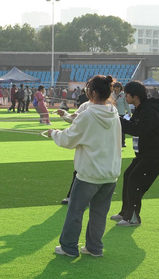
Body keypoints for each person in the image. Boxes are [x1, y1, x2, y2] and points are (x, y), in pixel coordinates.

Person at [47, 75, 122, 258]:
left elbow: (67, 139)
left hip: (89, 174)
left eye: (88, 89)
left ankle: (69, 247)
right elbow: (81, 126)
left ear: (94, 92)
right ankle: (94, 247)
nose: (86, 92)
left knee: (76, 211)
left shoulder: (89, 114)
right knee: (99, 213)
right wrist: (66, 118)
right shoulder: (113, 112)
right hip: (110, 174)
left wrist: (53, 133)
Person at [111, 81, 159, 227]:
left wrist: (117, 120)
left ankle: (133, 217)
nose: (125, 96)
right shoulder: (142, 108)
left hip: (157, 154)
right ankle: (125, 212)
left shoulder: (148, 111)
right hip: (147, 153)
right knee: (128, 175)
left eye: (127, 94)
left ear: (135, 96)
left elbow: (137, 129)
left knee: (135, 180)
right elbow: (133, 125)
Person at [111, 82, 132, 147]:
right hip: (113, 113)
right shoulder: (112, 95)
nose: (116, 88)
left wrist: (129, 112)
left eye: (118, 87)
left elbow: (126, 104)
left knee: (122, 129)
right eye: (115, 87)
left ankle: (122, 142)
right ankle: (115, 142)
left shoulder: (123, 95)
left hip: (121, 113)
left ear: (120, 88)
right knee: (114, 129)